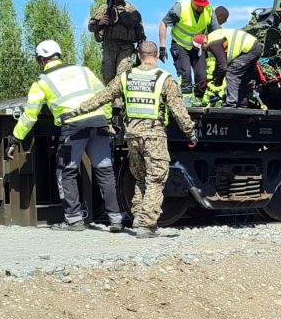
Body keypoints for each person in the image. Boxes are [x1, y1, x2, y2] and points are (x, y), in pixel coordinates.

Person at [63, 41, 197, 239]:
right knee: (155, 178)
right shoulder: (164, 79)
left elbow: (103, 96)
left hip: (132, 136)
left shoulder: (125, 77)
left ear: (138, 55)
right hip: (154, 135)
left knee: (140, 178)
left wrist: (78, 111)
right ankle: (147, 224)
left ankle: (138, 217)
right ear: (156, 56)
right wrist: (190, 132)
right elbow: (178, 110)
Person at [8, 40, 123, 232]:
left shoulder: (42, 82)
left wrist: (15, 138)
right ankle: (116, 220)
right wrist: (107, 119)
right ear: (59, 55)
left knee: (66, 172)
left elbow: (29, 116)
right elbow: (104, 96)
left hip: (74, 128)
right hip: (99, 124)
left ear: (41, 60)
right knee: (105, 171)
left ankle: (74, 220)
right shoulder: (84, 71)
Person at [159, 0, 221, 97]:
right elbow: (163, 24)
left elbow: (216, 33)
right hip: (180, 45)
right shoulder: (180, 7)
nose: (201, 7)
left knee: (202, 77)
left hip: (198, 47)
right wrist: (162, 47)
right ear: (192, 0)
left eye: (203, 5)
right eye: (198, 5)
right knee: (185, 75)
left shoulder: (209, 10)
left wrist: (207, 42)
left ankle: (198, 100)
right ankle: (184, 101)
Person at [86, 0, 145, 83]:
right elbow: (91, 27)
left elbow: (140, 31)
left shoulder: (131, 10)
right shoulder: (105, 8)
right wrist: (100, 22)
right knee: (108, 76)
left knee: (123, 76)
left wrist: (141, 48)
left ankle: (120, 94)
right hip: (109, 47)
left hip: (126, 48)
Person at [204, 7, 263, 108]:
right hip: (254, 48)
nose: (203, 51)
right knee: (243, 77)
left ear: (203, 42)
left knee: (232, 73)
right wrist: (215, 76)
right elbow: (220, 63)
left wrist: (218, 81)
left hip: (250, 49)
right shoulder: (215, 37)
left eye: (201, 48)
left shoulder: (213, 43)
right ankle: (242, 104)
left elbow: (223, 67)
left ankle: (231, 103)